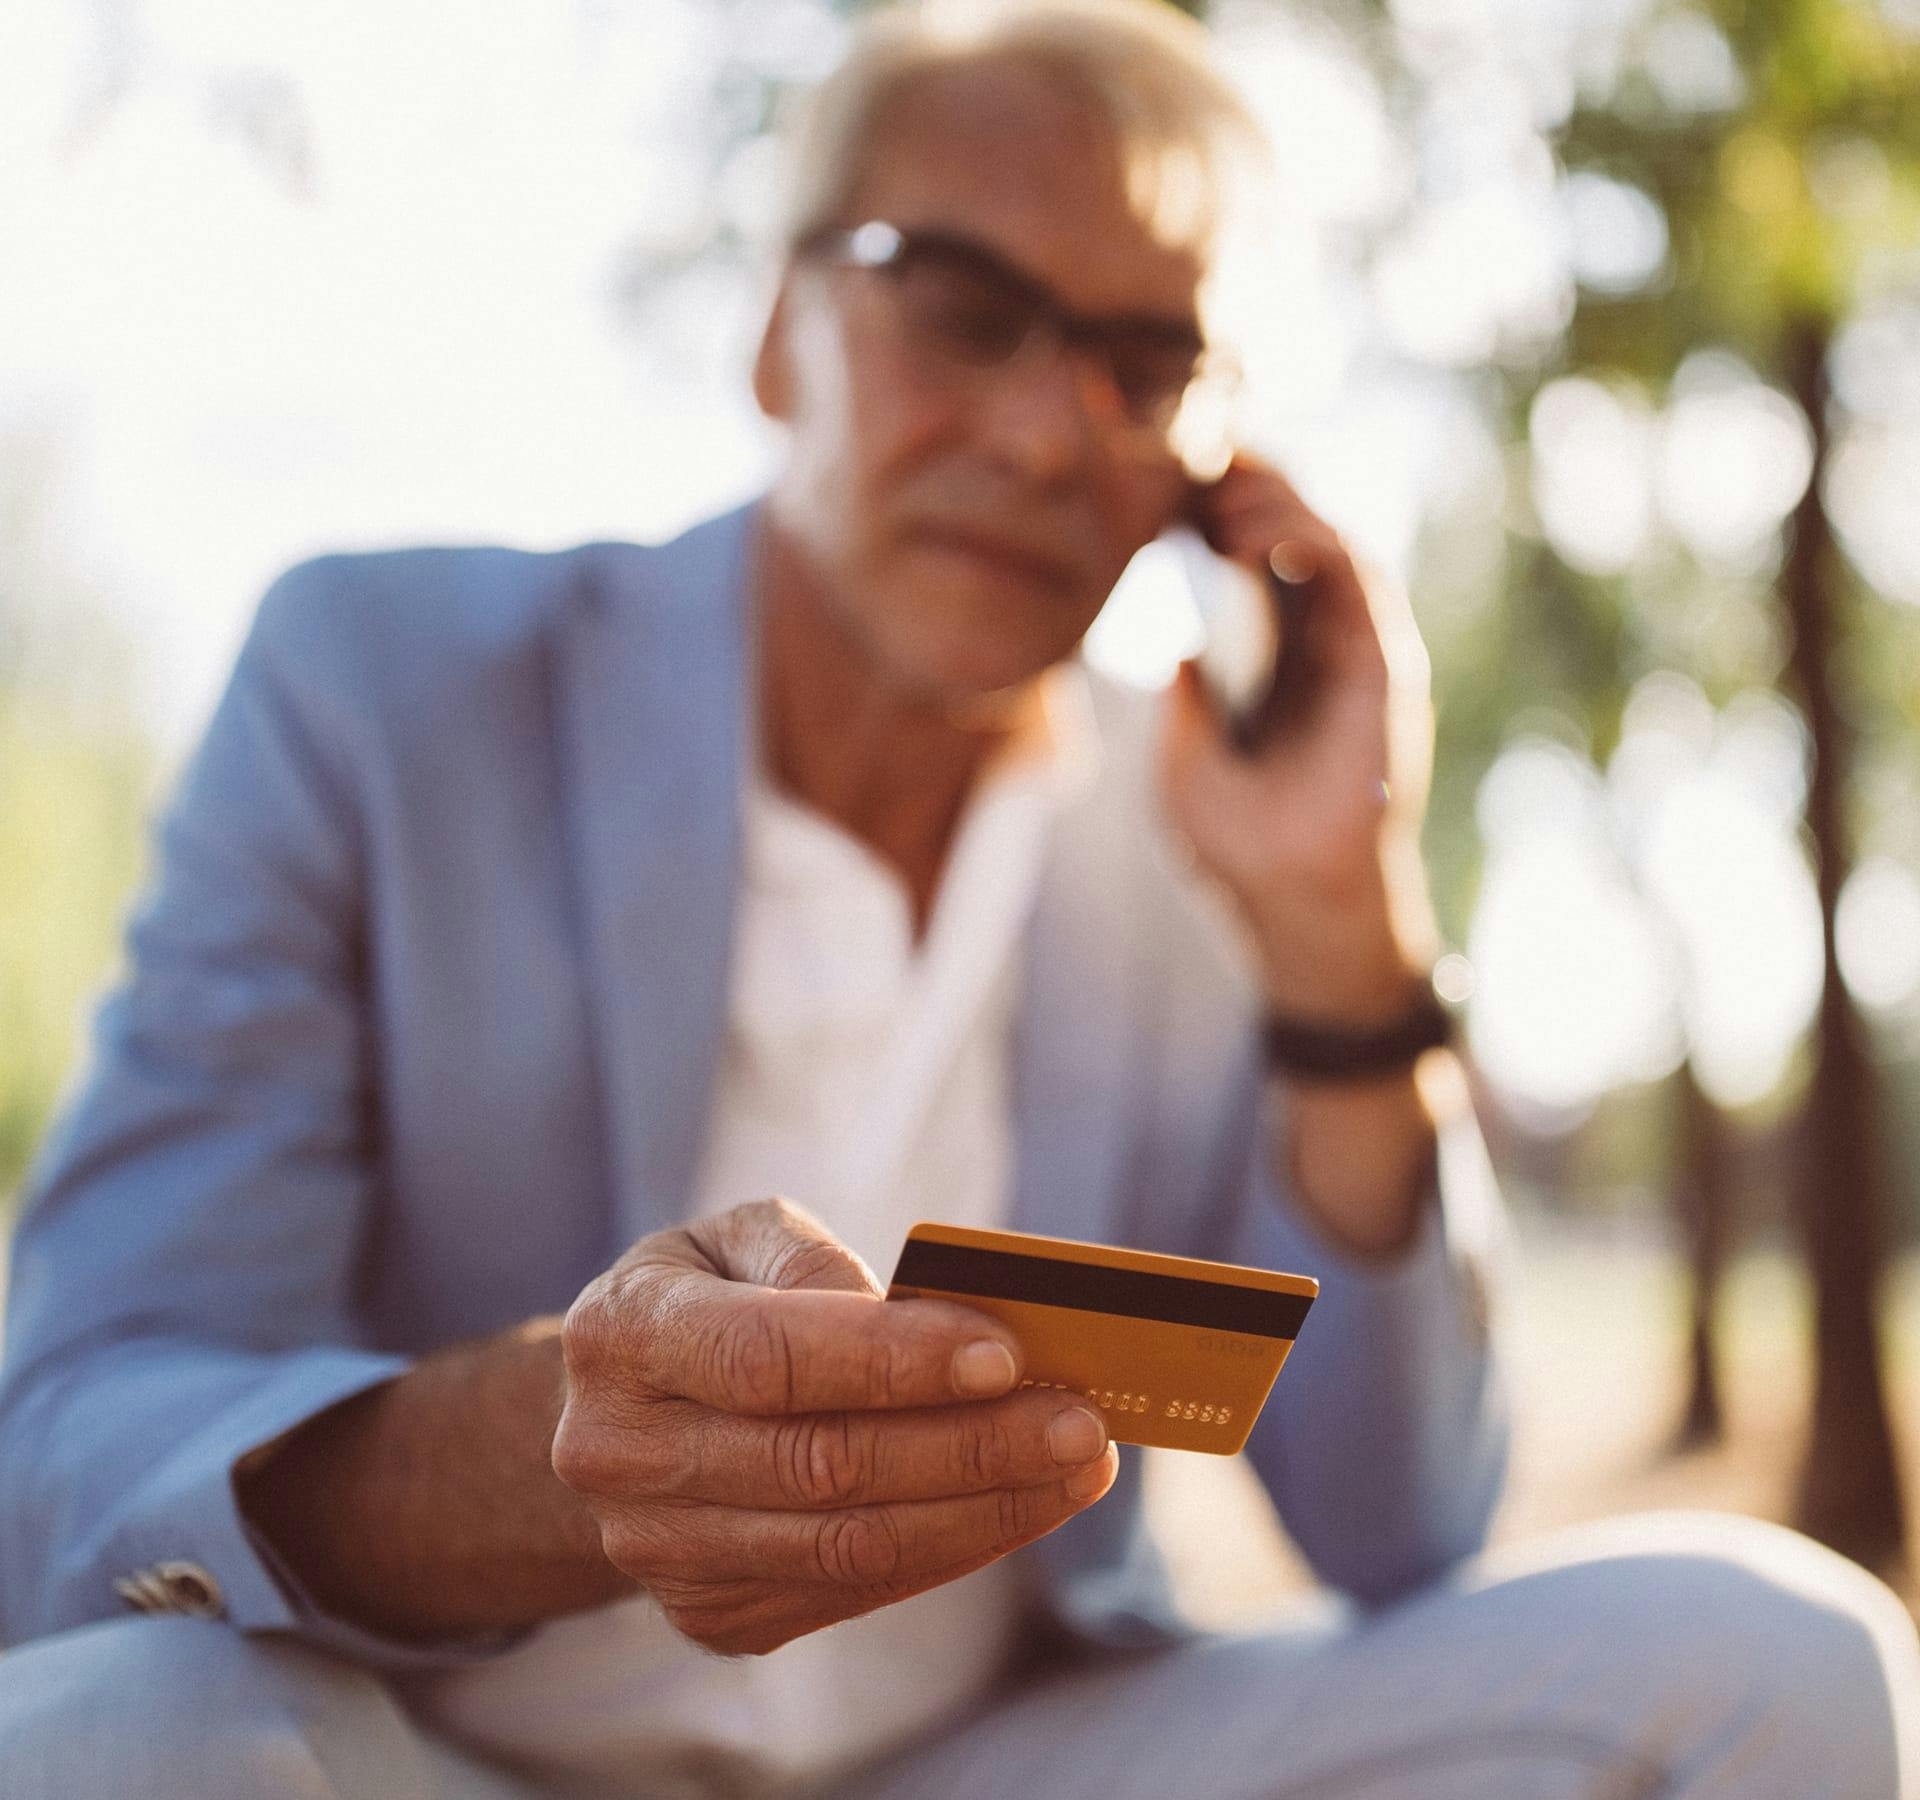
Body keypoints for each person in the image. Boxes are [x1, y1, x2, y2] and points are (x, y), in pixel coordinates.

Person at [2, 2, 1915, 1795]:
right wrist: (548, 1462)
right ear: (778, 331)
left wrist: (1345, 938)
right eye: (958, 305)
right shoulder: (382, 688)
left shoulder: (1197, 838)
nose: (1041, 436)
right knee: (113, 1725)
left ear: (1208, 463)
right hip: (419, 1754)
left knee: (1782, 1659)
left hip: (995, 1762)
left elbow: (1407, 1524)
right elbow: (80, 1438)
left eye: (1145, 362)